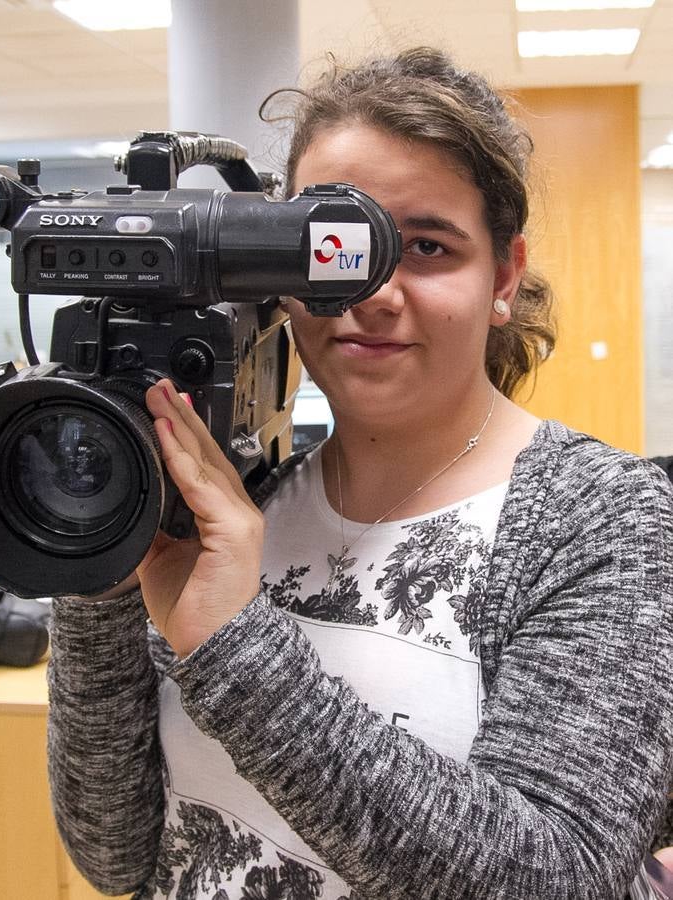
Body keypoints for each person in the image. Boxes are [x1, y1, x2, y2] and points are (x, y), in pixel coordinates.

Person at [46, 47, 673, 900]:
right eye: (331, 248)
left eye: (425, 246)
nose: (375, 291)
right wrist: (91, 560)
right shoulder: (235, 497)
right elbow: (112, 853)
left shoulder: (605, 519)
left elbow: (550, 876)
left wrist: (234, 647)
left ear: (505, 274)